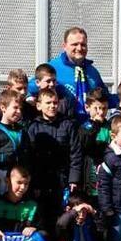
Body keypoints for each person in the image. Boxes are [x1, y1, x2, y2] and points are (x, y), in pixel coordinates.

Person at [21, 88, 82, 232]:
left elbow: (75, 153)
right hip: (39, 182)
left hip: (61, 181)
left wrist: (74, 179)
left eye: (55, 103)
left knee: (61, 222)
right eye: (48, 103)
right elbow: (27, 156)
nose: (52, 106)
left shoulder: (67, 125)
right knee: (41, 221)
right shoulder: (32, 127)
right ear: (38, 105)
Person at [46, 27, 110, 122]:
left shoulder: (92, 72)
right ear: (64, 46)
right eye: (75, 44)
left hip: (89, 127)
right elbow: (32, 87)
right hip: (63, 126)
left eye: (83, 45)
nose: (79, 48)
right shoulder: (52, 67)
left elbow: (105, 97)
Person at [81, 88, 112, 199]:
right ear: (87, 108)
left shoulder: (110, 127)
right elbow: (85, 146)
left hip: (107, 172)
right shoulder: (84, 127)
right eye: (96, 108)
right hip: (90, 173)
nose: (101, 112)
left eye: (104, 108)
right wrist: (95, 125)